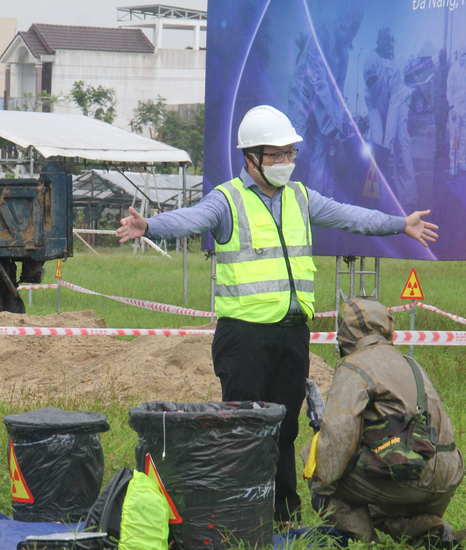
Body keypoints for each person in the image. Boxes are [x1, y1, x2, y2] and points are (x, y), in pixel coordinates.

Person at [115, 105, 437, 525]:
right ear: (250, 158)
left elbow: (350, 216)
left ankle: (284, 516)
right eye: (275, 155)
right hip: (244, 338)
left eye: (290, 154)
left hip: (290, 336)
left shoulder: (301, 198)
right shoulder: (227, 199)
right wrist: (151, 226)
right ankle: (241, 515)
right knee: (243, 429)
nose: (285, 162)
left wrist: (399, 223)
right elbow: (191, 219)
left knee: (284, 429)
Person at [301, 298, 466, 550]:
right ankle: (431, 530)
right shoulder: (411, 363)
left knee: (318, 464)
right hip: (447, 473)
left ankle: (361, 545)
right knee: (383, 492)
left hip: (411, 473)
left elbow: (338, 436)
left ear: (346, 333)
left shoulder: (355, 366)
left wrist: (321, 480)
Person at [286, 6, 363, 195]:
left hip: (324, 103)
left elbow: (337, 93)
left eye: (356, 29)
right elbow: (319, 85)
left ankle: (313, 209)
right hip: (303, 96)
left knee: (320, 154)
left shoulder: (344, 53)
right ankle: (285, 200)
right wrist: (335, 136)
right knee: (299, 149)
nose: (352, 33)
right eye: (350, 27)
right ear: (342, 21)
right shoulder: (321, 37)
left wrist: (339, 126)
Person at [363, 50, 418, 205]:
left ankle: (409, 200)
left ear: (380, 73)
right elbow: (375, 118)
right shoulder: (368, 94)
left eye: (375, 80)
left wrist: (388, 145)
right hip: (381, 110)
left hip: (399, 104)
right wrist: (381, 148)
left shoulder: (392, 72)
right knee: (377, 146)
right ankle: (379, 197)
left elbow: (394, 109)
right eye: (369, 81)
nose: (372, 83)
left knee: (401, 145)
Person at [446, 49, 466, 175]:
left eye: (465, 53)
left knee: (464, 136)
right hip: (455, 109)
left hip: (465, 109)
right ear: (457, 54)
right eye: (462, 54)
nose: (463, 56)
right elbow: (449, 90)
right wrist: (451, 107)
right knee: (454, 137)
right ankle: (453, 163)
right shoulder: (453, 69)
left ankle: (462, 161)